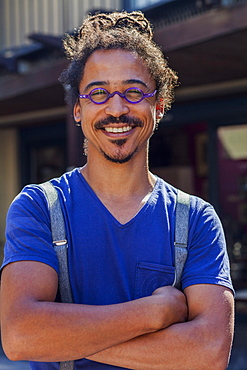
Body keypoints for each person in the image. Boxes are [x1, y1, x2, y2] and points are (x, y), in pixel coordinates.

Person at [1, 10, 234, 370]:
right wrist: (154, 313)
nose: (116, 108)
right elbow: (20, 336)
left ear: (158, 106)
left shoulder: (197, 219)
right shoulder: (39, 208)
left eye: (133, 91)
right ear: (78, 110)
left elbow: (209, 352)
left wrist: (61, 335)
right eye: (98, 93)